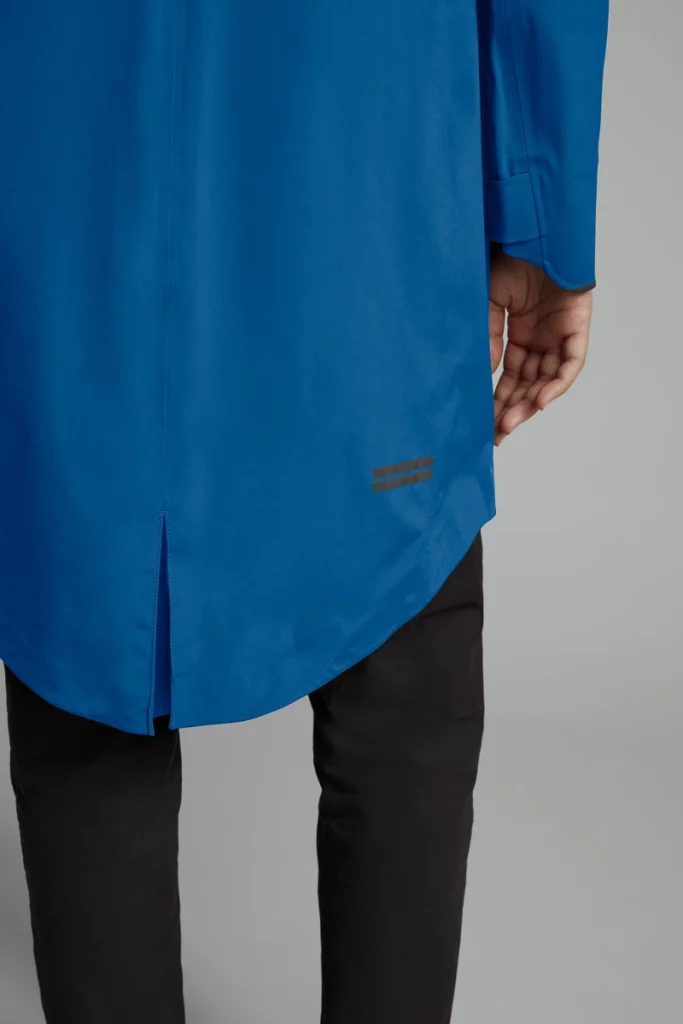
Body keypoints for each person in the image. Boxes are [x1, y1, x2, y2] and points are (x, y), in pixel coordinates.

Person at [0, 2, 609, 1022]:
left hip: (53, 169)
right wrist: (541, 218)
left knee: (84, 616)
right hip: (359, 173)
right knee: (399, 667)